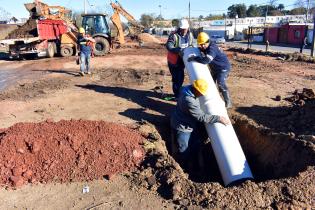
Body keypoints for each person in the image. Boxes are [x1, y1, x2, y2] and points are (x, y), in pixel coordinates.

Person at [170, 79, 230, 168]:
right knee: (183, 149)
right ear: (196, 90)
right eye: (201, 92)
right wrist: (218, 118)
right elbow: (201, 117)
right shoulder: (189, 100)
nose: (202, 94)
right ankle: (184, 168)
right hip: (182, 127)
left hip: (187, 122)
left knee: (196, 144)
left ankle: (195, 162)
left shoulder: (186, 89)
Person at [187, 32, 232, 108]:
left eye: (203, 44)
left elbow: (206, 60)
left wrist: (195, 58)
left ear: (208, 41)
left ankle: (228, 102)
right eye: (200, 44)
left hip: (223, 68)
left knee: (220, 83)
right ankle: (212, 100)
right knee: (210, 84)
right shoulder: (205, 47)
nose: (202, 46)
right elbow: (200, 50)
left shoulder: (212, 49)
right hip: (215, 69)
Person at [166, 19, 194, 98]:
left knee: (181, 77)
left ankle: (177, 92)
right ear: (180, 28)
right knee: (176, 78)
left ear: (188, 28)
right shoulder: (174, 35)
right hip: (173, 62)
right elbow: (169, 46)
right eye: (182, 29)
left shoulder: (190, 35)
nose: (184, 30)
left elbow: (192, 44)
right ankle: (176, 95)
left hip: (182, 61)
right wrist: (177, 50)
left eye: (185, 29)